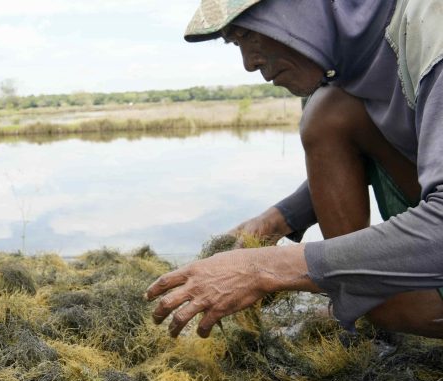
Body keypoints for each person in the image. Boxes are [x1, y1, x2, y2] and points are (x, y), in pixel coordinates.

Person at [146, 0, 443, 339]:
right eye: (235, 42)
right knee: (328, 111)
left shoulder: (433, 25)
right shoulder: (347, 61)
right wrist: (279, 220)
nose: (248, 63)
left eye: (248, 33)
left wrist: (262, 269)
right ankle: (365, 307)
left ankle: (384, 306)